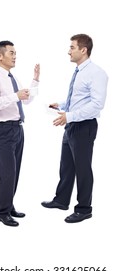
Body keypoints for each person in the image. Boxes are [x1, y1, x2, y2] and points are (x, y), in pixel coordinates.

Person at [41, 34, 108, 223]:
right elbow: (79, 99)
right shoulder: (79, 71)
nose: (68, 51)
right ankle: (61, 200)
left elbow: (97, 104)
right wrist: (62, 105)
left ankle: (84, 209)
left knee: (82, 169)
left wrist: (69, 116)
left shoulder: (96, 73)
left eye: (72, 47)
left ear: (83, 50)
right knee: (67, 166)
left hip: (84, 126)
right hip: (71, 124)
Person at [0, 40, 40, 227]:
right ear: (0, 56)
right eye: (11, 53)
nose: (15, 56)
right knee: (7, 173)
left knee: (15, 172)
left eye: (16, 53)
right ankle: (2, 212)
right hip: (3, 130)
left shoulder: (11, 78)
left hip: (17, 128)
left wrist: (35, 80)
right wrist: (16, 96)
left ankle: (9, 206)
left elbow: (26, 101)